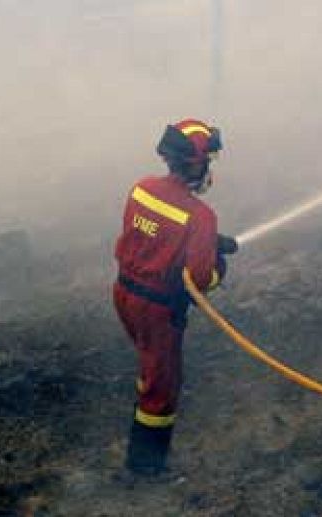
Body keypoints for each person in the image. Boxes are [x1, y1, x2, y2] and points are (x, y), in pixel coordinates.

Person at [112, 118, 235, 477]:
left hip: (124, 294)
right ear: (197, 163)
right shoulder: (200, 216)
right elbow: (199, 278)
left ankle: (144, 392)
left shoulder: (141, 189)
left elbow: (154, 236)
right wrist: (218, 267)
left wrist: (206, 243)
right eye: (208, 161)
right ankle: (146, 467)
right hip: (157, 308)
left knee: (149, 360)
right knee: (163, 387)